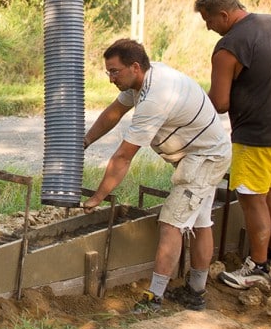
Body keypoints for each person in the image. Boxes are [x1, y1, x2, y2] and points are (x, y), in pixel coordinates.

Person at [83, 39, 231, 313]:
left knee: (170, 223)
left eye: (114, 72)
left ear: (134, 67)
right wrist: (86, 140)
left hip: (205, 159)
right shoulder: (145, 80)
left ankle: (155, 298)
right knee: (199, 222)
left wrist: (97, 197)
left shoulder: (155, 98)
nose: (110, 78)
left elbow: (123, 157)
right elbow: (115, 112)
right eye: (108, 72)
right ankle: (196, 291)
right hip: (203, 154)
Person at [195, 0, 271, 290]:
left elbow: (220, 103)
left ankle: (257, 267)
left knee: (250, 197)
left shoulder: (228, 47)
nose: (208, 28)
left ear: (223, 14)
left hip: (256, 136)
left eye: (209, 21)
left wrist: (191, 109)